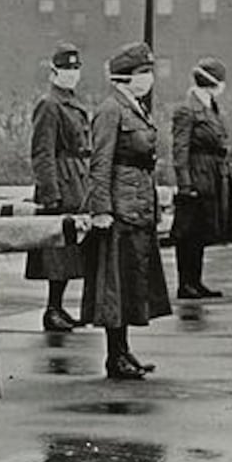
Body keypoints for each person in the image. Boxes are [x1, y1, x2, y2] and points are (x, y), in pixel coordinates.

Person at [80, 42, 172, 380]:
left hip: (137, 205)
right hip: (119, 208)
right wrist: (101, 209)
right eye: (143, 72)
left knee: (130, 282)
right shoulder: (111, 110)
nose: (148, 78)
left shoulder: (134, 107)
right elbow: (100, 162)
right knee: (115, 286)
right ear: (124, 77)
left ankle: (123, 351)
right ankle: (114, 355)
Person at [26, 42, 92, 332]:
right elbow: (43, 152)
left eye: (76, 68)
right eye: (66, 68)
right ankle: (52, 309)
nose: (72, 73)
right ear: (54, 71)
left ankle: (58, 307)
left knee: (69, 252)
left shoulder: (71, 102)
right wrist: (50, 192)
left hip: (77, 181)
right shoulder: (49, 104)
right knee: (57, 253)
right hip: (62, 183)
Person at [171, 57, 232, 298]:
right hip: (197, 173)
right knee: (189, 231)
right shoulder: (187, 110)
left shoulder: (210, 106)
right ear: (213, 83)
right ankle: (185, 283)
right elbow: (180, 150)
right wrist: (185, 184)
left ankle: (195, 281)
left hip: (212, 174)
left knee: (201, 230)